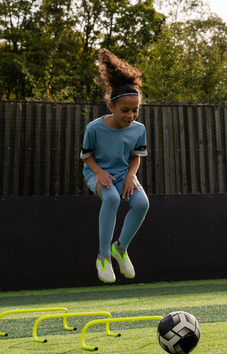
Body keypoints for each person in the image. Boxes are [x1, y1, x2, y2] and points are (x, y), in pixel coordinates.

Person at [80, 49, 150, 283]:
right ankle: (103, 256)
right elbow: (86, 155)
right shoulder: (94, 128)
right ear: (111, 107)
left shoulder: (139, 129)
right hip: (96, 172)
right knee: (111, 198)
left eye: (135, 110)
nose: (131, 115)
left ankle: (120, 248)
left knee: (141, 203)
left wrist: (131, 176)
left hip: (123, 173)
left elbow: (136, 156)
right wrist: (99, 173)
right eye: (125, 110)